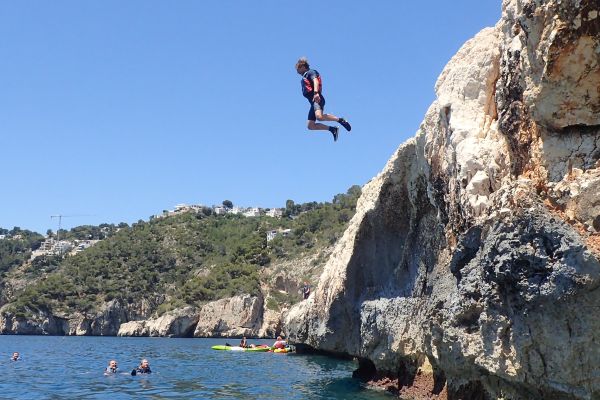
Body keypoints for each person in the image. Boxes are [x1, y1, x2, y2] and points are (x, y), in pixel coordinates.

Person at [295, 57, 351, 142]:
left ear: (302, 66)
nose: (297, 71)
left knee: (319, 117)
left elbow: (315, 81)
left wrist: (316, 93)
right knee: (310, 126)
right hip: (312, 103)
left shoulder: (310, 72)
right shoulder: (305, 76)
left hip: (317, 98)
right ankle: (333, 129)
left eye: (297, 69)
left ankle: (340, 120)